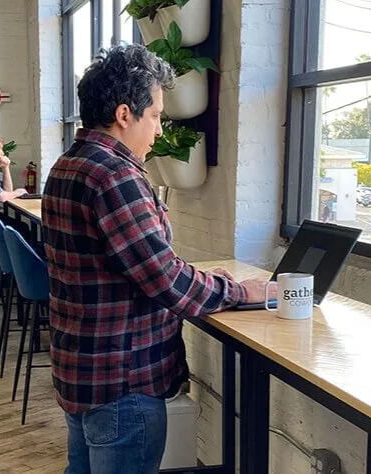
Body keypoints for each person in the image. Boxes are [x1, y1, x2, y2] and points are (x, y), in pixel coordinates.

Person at [42, 45, 274, 474]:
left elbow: (135, 265)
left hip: (84, 366)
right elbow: (165, 281)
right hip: (122, 378)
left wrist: (201, 278)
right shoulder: (115, 174)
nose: (159, 132)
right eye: (156, 117)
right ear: (125, 113)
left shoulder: (68, 164)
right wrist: (243, 291)